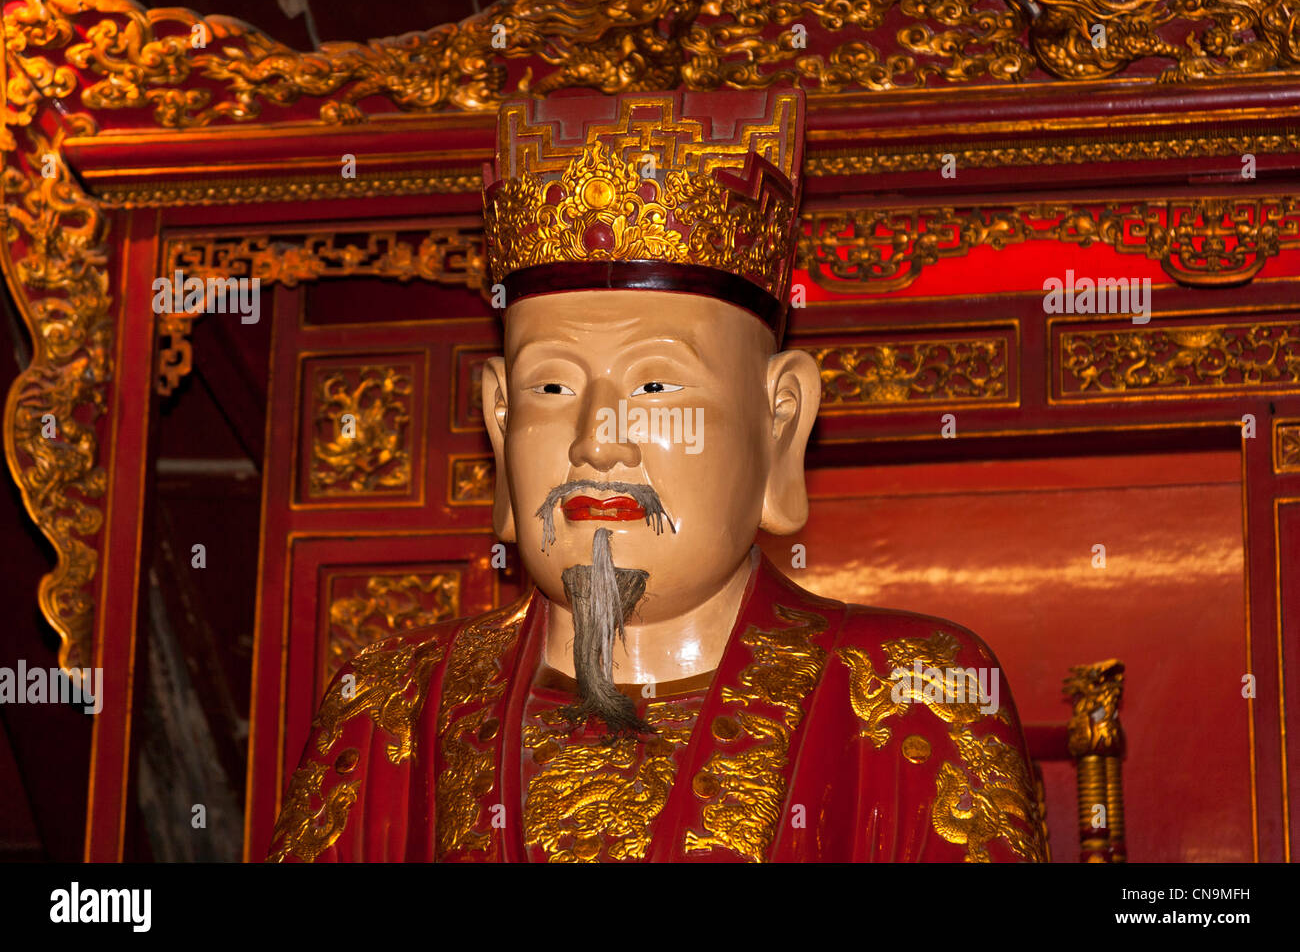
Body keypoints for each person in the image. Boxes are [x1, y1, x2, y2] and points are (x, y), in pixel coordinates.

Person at [268, 88, 1046, 863]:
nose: (597, 443)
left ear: (781, 422)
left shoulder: (917, 695)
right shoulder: (388, 707)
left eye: (656, 387)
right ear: (499, 422)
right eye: (552, 388)